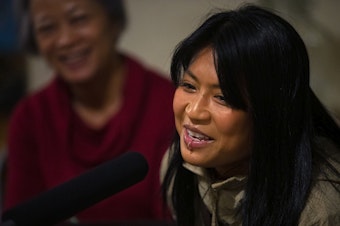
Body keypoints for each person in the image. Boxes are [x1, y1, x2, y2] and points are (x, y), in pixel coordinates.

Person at [161, 4, 340, 226]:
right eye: (189, 85)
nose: (194, 111)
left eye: (223, 98)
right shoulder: (178, 164)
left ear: (271, 113)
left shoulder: (319, 209)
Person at [3, 0, 175, 223]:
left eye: (79, 19)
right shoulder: (30, 117)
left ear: (113, 21)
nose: (65, 40)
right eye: (47, 28)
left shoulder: (169, 104)